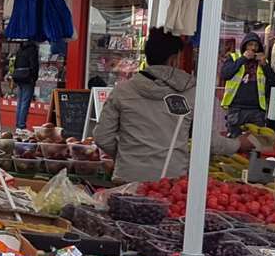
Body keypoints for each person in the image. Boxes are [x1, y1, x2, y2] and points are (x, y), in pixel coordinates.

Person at [96, 29, 252, 181]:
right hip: (170, 182)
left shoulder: (122, 91)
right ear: (173, 59)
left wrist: (128, 156)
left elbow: (102, 137)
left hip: (127, 177)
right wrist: (238, 144)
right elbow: (209, 142)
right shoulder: (191, 92)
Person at [221, 32, 275, 134]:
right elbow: (226, 74)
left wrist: (264, 65)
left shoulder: (262, 62)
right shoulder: (234, 57)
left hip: (256, 109)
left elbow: (274, 82)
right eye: (250, 45)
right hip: (236, 107)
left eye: (256, 45)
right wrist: (243, 59)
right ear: (244, 46)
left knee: (256, 143)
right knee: (235, 140)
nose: (253, 48)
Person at [9, 39, 40, 131]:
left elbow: (15, 64)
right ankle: (21, 125)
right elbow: (34, 65)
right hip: (28, 78)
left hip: (19, 77)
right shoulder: (32, 50)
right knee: (25, 102)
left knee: (20, 102)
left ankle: (18, 124)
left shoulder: (20, 49)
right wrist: (34, 78)